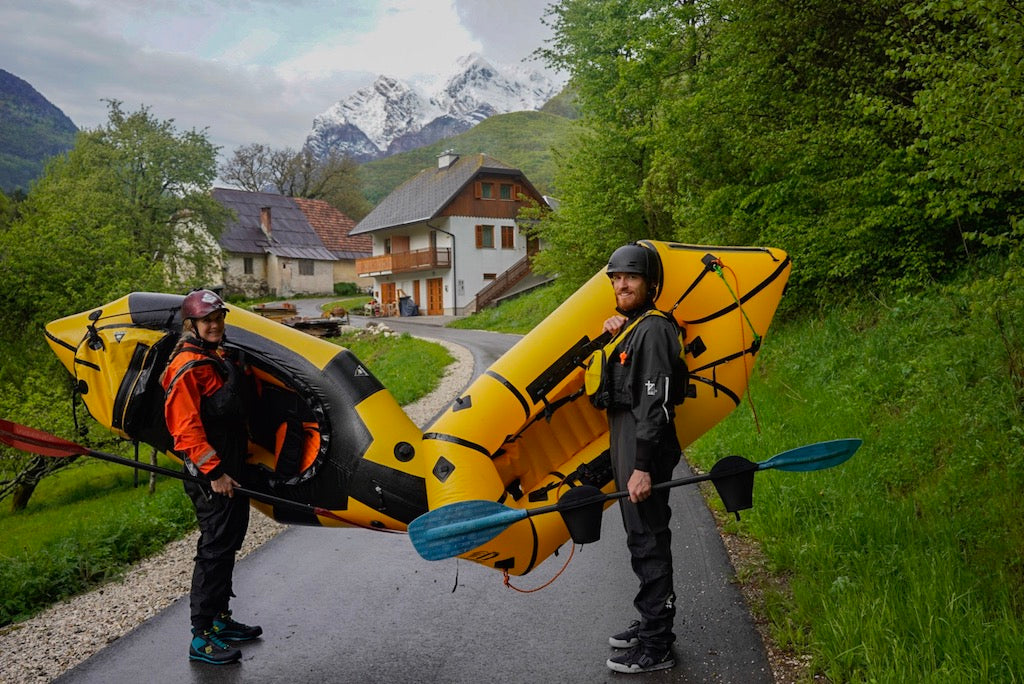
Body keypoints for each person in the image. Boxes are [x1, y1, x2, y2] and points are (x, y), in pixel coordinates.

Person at [161, 289, 263, 665]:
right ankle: (200, 635)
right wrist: (215, 473)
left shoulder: (215, 357)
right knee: (214, 548)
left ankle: (220, 621)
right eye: (208, 320)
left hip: (231, 468)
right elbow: (185, 429)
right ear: (191, 325)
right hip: (211, 476)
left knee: (230, 542)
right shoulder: (186, 365)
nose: (215, 324)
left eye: (219, 317)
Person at [596, 243, 682, 674]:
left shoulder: (654, 330)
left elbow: (655, 404)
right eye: (616, 278)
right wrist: (619, 333)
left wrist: (643, 466)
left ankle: (657, 643)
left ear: (651, 284)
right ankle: (651, 621)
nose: (621, 283)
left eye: (630, 277)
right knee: (639, 539)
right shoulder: (635, 328)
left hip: (643, 451)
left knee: (649, 541)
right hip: (628, 446)